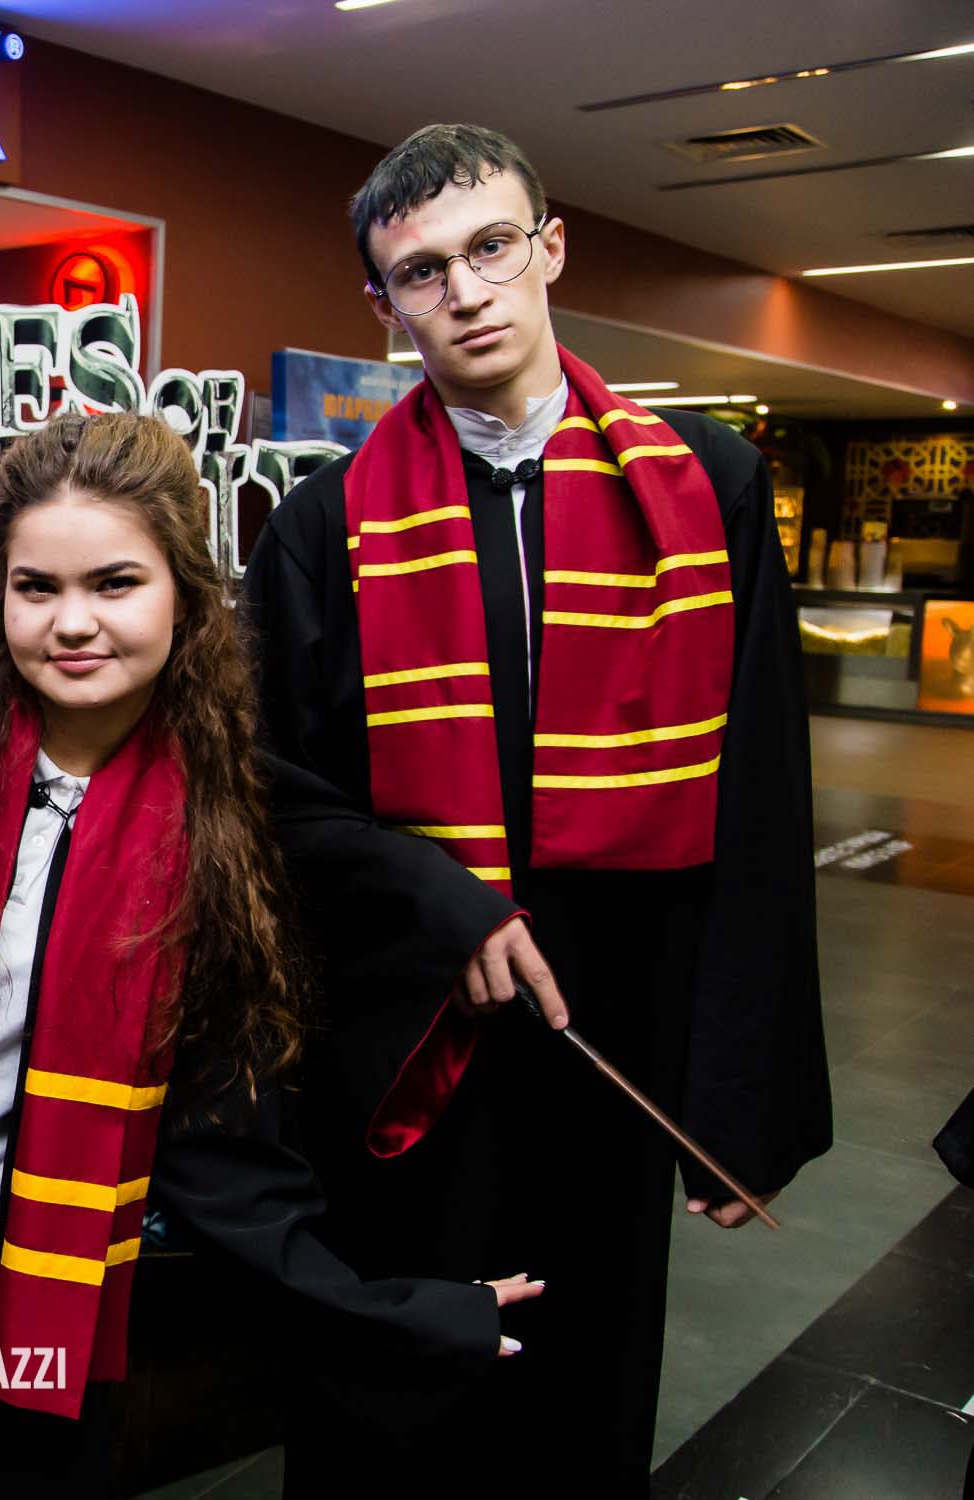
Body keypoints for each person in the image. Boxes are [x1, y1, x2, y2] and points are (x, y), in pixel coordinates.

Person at [0, 413, 538, 1497]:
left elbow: (225, 1154)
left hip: (52, 1288)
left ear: (185, 596)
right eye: (36, 588)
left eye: (115, 584)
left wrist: (396, 1316)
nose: (73, 624)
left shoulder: (216, 831)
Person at [241, 123, 830, 1494]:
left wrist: (738, 1097)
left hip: (612, 1021)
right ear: (384, 305)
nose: (465, 290)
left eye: (491, 247)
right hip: (411, 1027)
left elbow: (757, 800)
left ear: (549, 249)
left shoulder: (709, 488)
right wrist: (436, 902)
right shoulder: (323, 526)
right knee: (402, 1399)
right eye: (422, 270)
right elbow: (268, 787)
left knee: (581, 1390)